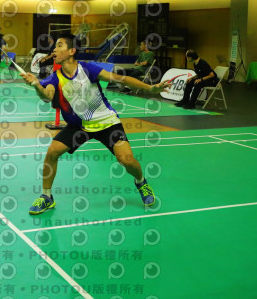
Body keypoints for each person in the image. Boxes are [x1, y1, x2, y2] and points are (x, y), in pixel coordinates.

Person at [20, 34, 171, 215]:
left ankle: (141, 182)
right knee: (52, 152)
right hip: (79, 125)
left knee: (126, 160)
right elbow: (47, 96)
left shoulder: (87, 69)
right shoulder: (55, 77)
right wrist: (37, 85)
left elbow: (119, 79)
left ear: (71, 51)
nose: (54, 49)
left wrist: (151, 88)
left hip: (106, 122)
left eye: (59, 45)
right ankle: (46, 197)